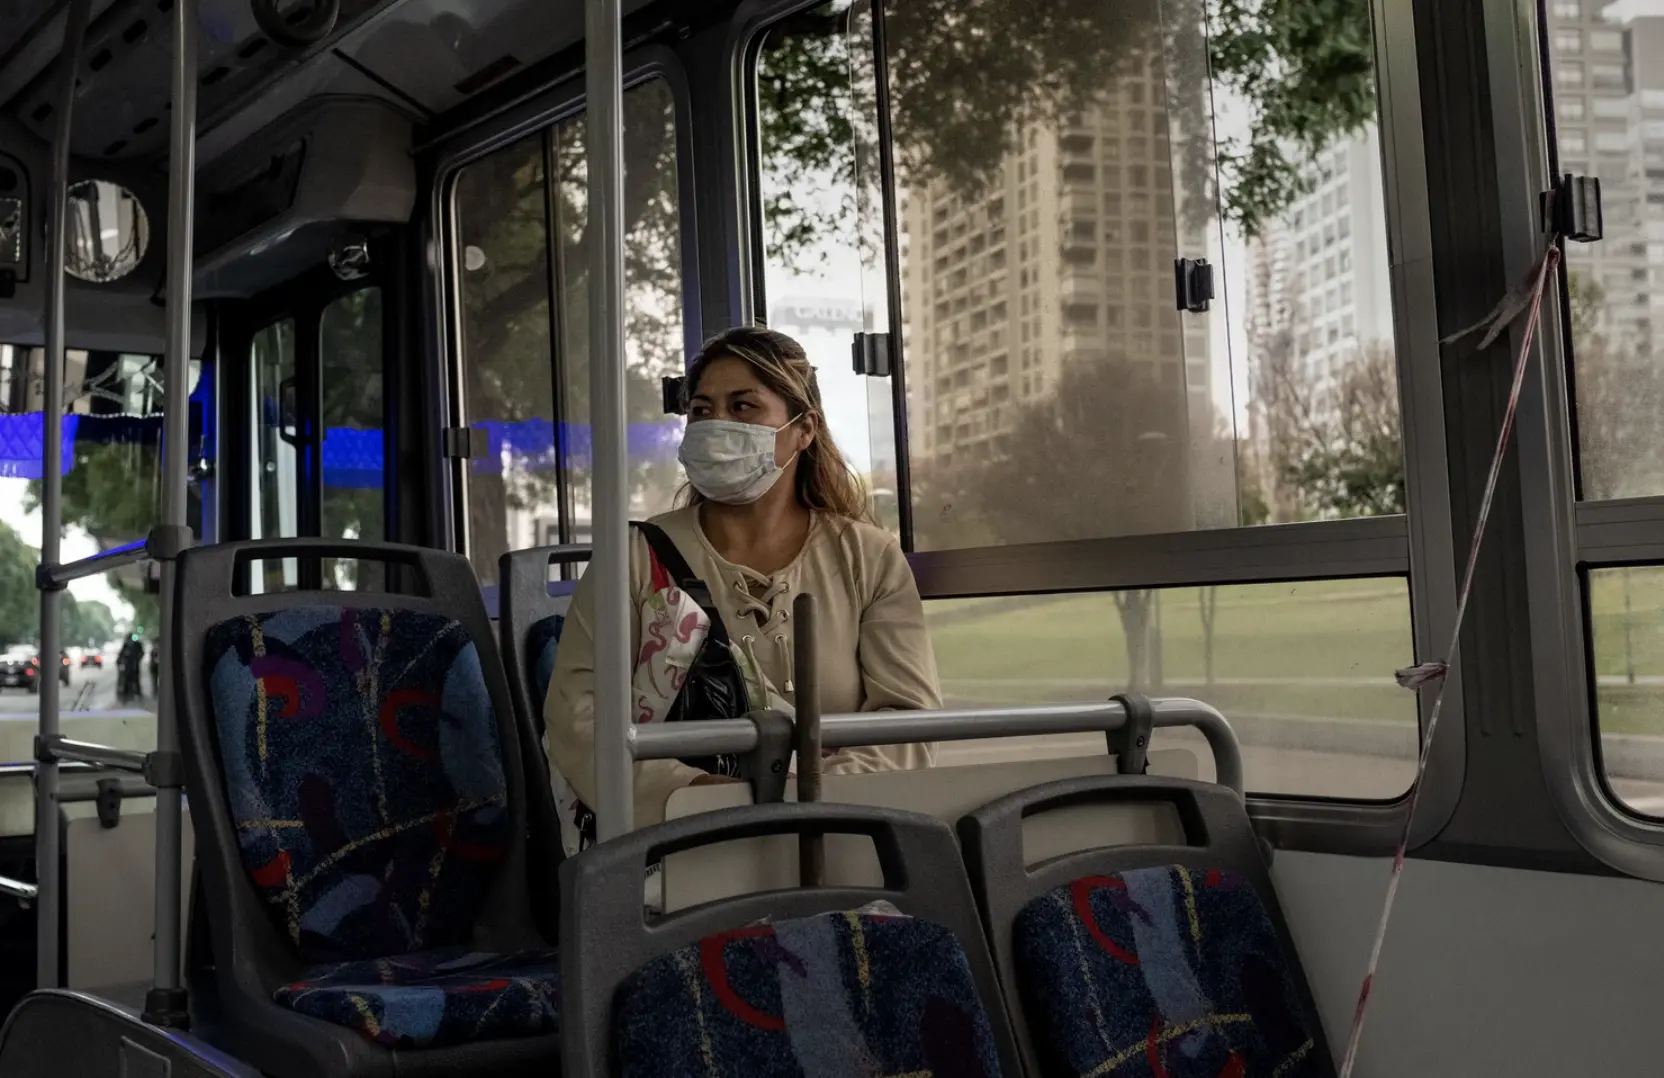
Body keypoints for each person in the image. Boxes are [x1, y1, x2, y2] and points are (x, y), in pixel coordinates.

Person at [544, 326, 940, 842]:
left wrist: (808, 802)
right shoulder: (633, 559)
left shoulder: (867, 557)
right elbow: (580, 721)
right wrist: (709, 799)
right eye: (703, 410)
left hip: (839, 836)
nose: (717, 424)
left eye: (743, 406)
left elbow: (908, 725)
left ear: (803, 429)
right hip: (678, 843)